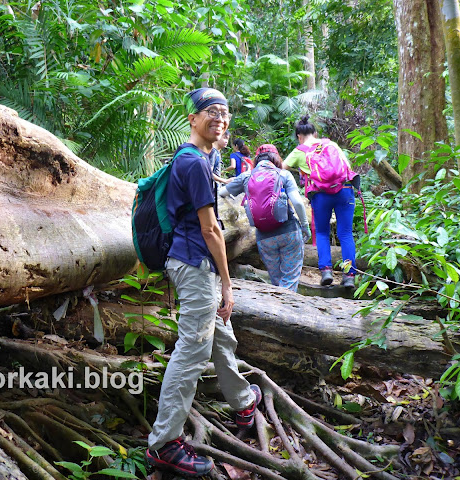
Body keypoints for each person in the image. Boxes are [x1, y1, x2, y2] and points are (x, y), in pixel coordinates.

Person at [145, 88, 262, 477]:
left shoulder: (202, 158)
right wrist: (228, 283)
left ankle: (242, 401)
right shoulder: (193, 163)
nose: (220, 118)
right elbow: (211, 229)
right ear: (192, 118)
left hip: (197, 264)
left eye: (225, 113)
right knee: (193, 350)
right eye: (212, 112)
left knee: (220, 335)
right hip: (195, 264)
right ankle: (164, 443)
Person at [219, 144, 309, 291]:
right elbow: (298, 202)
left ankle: (278, 306)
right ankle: (287, 308)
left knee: (277, 282)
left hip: (264, 238)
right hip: (289, 232)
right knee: (289, 280)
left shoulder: (247, 176)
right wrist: (305, 226)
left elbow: (222, 192)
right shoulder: (283, 174)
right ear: (276, 158)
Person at [284, 115, 357, 288]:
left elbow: (282, 168)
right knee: (345, 233)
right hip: (345, 190)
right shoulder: (331, 144)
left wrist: (301, 170)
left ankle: (326, 272)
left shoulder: (299, 150)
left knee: (323, 233)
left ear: (299, 136)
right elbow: (347, 167)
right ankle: (349, 276)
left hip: (320, 195)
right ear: (315, 133)